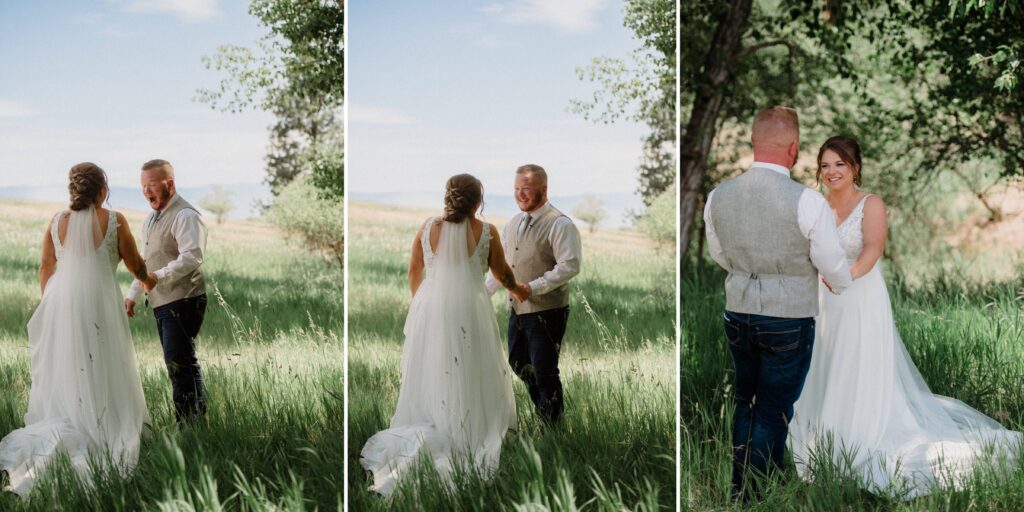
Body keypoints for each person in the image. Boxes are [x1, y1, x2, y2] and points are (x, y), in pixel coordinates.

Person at [790, 135, 1022, 498]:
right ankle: (819, 437)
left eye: (840, 164)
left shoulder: (871, 204)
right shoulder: (816, 205)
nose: (832, 171)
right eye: (825, 165)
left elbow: (872, 248)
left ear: (856, 168)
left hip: (859, 295)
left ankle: (857, 435)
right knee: (823, 364)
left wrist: (844, 278)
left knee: (856, 366)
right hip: (822, 301)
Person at [703, 106, 853, 499]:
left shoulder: (718, 196)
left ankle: (740, 488)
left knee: (744, 400)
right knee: (773, 408)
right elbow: (832, 264)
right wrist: (838, 284)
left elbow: (720, 255)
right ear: (794, 147)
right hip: (788, 317)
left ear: (754, 143)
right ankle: (755, 494)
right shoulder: (807, 201)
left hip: (737, 311)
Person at [360, 174, 519, 495]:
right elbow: (501, 272)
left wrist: (423, 303)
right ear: (478, 201)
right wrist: (520, 291)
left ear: (449, 197)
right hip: (470, 311)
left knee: (432, 368)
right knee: (472, 367)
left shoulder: (427, 227)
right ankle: (466, 432)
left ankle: (433, 425)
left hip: (429, 310)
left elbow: (413, 270)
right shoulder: (487, 231)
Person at [0, 163, 150, 497]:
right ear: (102, 190)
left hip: (62, 304)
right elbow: (134, 263)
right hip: (101, 304)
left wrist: (51, 306)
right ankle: (103, 426)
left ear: (73, 190)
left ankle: (71, 421)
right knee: (106, 362)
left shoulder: (56, 222)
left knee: (69, 365)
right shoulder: (114, 220)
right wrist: (150, 281)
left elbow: (45, 266)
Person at [485, 164, 582, 427]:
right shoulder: (513, 222)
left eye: (526, 189)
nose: (520, 195)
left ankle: (552, 428)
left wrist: (533, 287)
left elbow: (570, 265)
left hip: (548, 311)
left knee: (545, 372)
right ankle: (544, 411)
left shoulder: (560, 224)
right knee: (518, 363)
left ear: (544, 189)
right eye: (516, 189)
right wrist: (482, 294)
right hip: (517, 309)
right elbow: (502, 267)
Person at [124, 159, 209, 424]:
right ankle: (195, 423)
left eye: (151, 185)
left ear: (169, 184)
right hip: (163, 302)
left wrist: (157, 278)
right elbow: (148, 262)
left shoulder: (185, 215)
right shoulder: (151, 219)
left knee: (179, 363)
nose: (146, 191)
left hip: (185, 299)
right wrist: (133, 293)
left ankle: (187, 424)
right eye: (143, 186)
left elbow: (192, 257)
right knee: (181, 361)